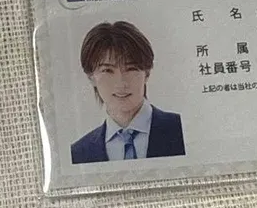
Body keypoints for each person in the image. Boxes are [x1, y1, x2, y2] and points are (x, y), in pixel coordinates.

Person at [71, 21, 185, 164]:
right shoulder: (79, 153)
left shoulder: (182, 129)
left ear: (147, 73)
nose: (121, 83)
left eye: (131, 69)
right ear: (91, 77)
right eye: (107, 70)